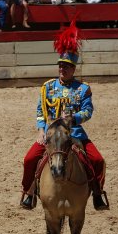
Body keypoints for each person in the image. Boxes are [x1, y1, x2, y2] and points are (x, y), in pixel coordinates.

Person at [19, 20, 109, 211]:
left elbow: (88, 111)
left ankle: (97, 193)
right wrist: (40, 131)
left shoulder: (83, 89)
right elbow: (40, 111)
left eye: (66, 66)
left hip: (75, 133)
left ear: (73, 69)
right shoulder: (48, 87)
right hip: (51, 134)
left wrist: (74, 118)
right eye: (60, 65)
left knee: (98, 160)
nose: (62, 69)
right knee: (29, 159)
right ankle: (29, 193)